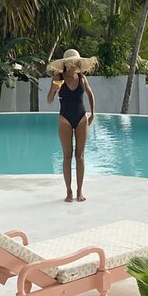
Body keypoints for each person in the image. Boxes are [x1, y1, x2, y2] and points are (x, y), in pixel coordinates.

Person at [46, 49, 97, 202]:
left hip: (81, 118)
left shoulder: (82, 78)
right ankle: (69, 191)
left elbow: (90, 94)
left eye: (77, 62)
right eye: (72, 62)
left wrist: (92, 113)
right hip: (65, 119)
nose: (75, 64)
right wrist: (53, 90)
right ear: (66, 63)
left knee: (79, 156)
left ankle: (79, 190)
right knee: (67, 156)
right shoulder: (58, 78)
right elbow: (49, 100)